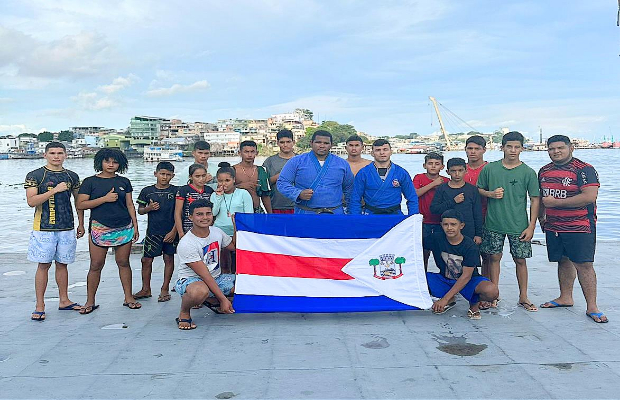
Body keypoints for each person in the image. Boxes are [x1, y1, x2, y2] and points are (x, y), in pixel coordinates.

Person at [538, 135, 607, 323]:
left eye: (560, 148)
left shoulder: (584, 169)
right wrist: (541, 218)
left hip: (580, 225)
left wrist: (556, 203)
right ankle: (565, 297)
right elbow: (541, 198)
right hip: (554, 226)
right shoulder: (544, 171)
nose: (556, 152)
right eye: (551, 149)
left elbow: (589, 196)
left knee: (584, 264)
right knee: (563, 260)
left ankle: (592, 306)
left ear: (571, 148)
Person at [477, 131, 540, 312]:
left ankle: (523, 296)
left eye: (516, 147)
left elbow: (535, 199)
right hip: (493, 222)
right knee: (493, 258)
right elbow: (479, 189)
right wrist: (490, 194)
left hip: (519, 225)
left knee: (520, 259)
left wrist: (531, 226)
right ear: (502, 147)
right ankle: (493, 294)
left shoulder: (528, 172)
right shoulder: (490, 169)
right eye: (509, 146)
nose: (513, 150)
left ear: (522, 149)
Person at [25, 142, 85, 321]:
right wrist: (55, 190)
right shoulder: (35, 175)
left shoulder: (72, 176)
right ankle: (40, 305)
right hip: (44, 228)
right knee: (43, 265)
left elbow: (79, 202)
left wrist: (81, 223)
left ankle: (64, 300)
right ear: (45, 155)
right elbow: (31, 201)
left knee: (63, 264)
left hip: (66, 226)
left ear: (65, 155)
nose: (56, 156)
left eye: (60, 153)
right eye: (52, 153)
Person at [77, 148, 140, 314]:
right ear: (100, 162)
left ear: (120, 164)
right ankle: (90, 301)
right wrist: (104, 199)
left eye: (115, 162)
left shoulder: (124, 181)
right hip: (99, 227)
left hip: (124, 227)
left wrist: (135, 225)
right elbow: (80, 204)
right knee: (96, 264)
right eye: (107, 161)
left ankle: (129, 297)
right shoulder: (90, 182)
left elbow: (129, 204)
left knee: (124, 262)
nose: (111, 165)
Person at [424, 210, 499, 320]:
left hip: (468, 281)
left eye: (453, 224)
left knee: (491, 291)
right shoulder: (436, 238)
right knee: (415, 279)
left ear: (461, 226)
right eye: (446, 224)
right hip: (444, 279)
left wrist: (444, 300)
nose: (449, 228)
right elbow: (415, 245)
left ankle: (474, 302)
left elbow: (466, 276)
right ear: (441, 225)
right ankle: (450, 298)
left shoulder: (470, 246)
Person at [174, 199, 235, 330]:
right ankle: (184, 312)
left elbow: (234, 247)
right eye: (199, 214)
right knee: (200, 291)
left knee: (245, 285)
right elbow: (205, 275)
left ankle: (211, 299)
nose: (205, 217)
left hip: (217, 278)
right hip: (192, 280)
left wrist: (236, 226)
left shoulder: (217, 232)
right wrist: (223, 299)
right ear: (191, 217)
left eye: (208, 213)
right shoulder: (187, 243)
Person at [278, 130, 354, 214]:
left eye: (326, 143)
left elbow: (349, 189)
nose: (322, 146)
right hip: (305, 213)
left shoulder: (342, 164)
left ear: (331, 145)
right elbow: (282, 183)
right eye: (318, 142)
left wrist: (351, 213)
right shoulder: (296, 161)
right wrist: (298, 194)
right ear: (311, 143)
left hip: (334, 214)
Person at [133, 161, 178, 303]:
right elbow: (140, 210)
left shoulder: (176, 191)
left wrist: (174, 231)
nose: (164, 177)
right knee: (146, 260)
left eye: (168, 175)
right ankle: (146, 289)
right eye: (162, 174)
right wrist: (149, 208)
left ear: (173, 176)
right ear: (155, 174)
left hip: (171, 231)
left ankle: (165, 289)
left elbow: (180, 213)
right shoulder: (147, 191)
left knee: (169, 259)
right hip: (153, 232)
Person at [349, 139, 419, 215]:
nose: (382, 153)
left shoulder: (401, 172)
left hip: (394, 215)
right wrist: (356, 218)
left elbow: (412, 197)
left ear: (391, 152)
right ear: (372, 153)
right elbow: (355, 199)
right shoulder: (363, 173)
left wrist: (413, 217)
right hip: (370, 215)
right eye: (378, 150)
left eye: (385, 149)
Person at [210, 162, 253, 273]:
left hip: (238, 231)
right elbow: (213, 213)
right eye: (220, 181)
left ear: (234, 180)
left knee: (237, 263)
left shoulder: (243, 194)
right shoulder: (214, 195)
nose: (223, 184)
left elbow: (249, 215)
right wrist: (219, 197)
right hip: (220, 231)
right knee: (223, 263)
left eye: (227, 180)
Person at [430, 157, 483, 243]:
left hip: (468, 231)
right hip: (447, 232)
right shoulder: (442, 189)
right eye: (453, 171)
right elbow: (434, 209)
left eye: (460, 170)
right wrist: (453, 201)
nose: (457, 174)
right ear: (448, 172)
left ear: (466, 171)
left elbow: (477, 213)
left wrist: (478, 234)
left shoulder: (472, 190)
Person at [463, 135, 491, 293]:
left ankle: (486, 289)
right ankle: (463, 286)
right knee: (465, 254)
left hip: (487, 216)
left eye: (477, 149)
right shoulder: (461, 169)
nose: (473, 152)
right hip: (465, 219)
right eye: (470, 148)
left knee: (487, 256)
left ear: (484, 150)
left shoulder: (490, 169)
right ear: (465, 150)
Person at [413, 152, 449, 270]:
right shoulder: (419, 177)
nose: (433, 166)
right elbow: (415, 194)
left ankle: (444, 276)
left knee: (442, 254)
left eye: (437, 164)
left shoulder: (446, 180)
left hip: (440, 222)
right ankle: (422, 277)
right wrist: (433, 184)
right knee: (423, 253)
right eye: (430, 163)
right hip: (423, 221)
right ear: (424, 165)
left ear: (442, 167)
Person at [175, 163, 215, 238]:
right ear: (190, 177)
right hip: (188, 229)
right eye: (197, 176)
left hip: (206, 228)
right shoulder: (184, 190)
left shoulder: (209, 190)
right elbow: (178, 212)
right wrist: (180, 232)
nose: (201, 179)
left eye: (203, 176)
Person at [263, 129, 296, 214]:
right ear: (277, 143)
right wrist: (280, 176)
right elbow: (264, 185)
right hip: (276, 206)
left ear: (293, 142)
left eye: (288, 142)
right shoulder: (270, 161)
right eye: (282, 142)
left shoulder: (301, 160)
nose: (285, 145)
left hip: (298, 206)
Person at [234, 140, 272, 213]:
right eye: (246, 152)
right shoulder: (233, 170)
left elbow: (265, 195)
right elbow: (224, 189)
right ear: (240, 153)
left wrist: (270, 214)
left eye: (252, 152)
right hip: (238, 211)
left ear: (256, 153)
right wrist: (239, 186)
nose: (249, 155)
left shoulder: (261, 170)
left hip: (256, 209)